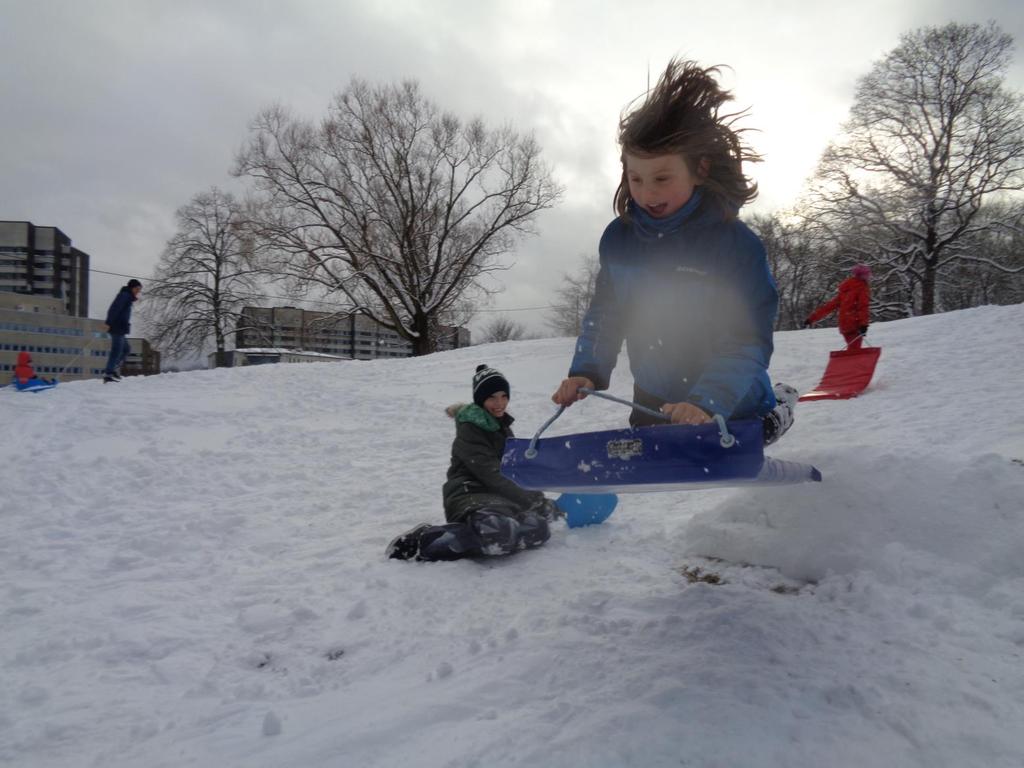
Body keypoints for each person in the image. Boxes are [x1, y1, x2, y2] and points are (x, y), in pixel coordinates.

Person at [550, 59, 797, 443]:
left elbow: (747, 338)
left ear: (699, 169)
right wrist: (587, 370)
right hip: (654, 396)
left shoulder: (735, 246)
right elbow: (607, 313)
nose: (648, 193)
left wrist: (708, 399)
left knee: (751, 436)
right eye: (636, 179)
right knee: (655, 451)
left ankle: (780, 406)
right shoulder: (619, 240)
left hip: (729, 398)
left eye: (662, 178)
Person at [387, 364, 563, 561]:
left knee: (537, 529)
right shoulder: (470, 429)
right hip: (469, 493)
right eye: (492, 397)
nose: (500, 403)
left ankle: (488, 533)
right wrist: (534, 499)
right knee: (497, 533)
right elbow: (493, 474)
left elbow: (512, 469)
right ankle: (424, 540)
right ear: (480, 400)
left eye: (504, 396)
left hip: (499, 497)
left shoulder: (501, 426)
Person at [804, 264, 872, 350]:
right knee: (854, 353)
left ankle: (850, 363)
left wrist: (812, 318)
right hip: (855, 324)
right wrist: (863, 324)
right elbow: (863, 307)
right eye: (867, 275)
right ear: (862, 275)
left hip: (844, 324)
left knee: (853, 351)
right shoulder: (862, 287)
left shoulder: (846, 290)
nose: (869, 277)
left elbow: (829, 306)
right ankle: (847, 363)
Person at [103, 279, 141, 383]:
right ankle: (108, 374)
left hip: (121, 328)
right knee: (116, 351)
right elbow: (114, 308)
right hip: (117, 327)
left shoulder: (128, 297)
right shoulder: (124, 295)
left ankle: (113, 369)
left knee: (126, 349)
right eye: (137, 289)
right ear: (132, 288)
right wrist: (108, 322)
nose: (138, 291)